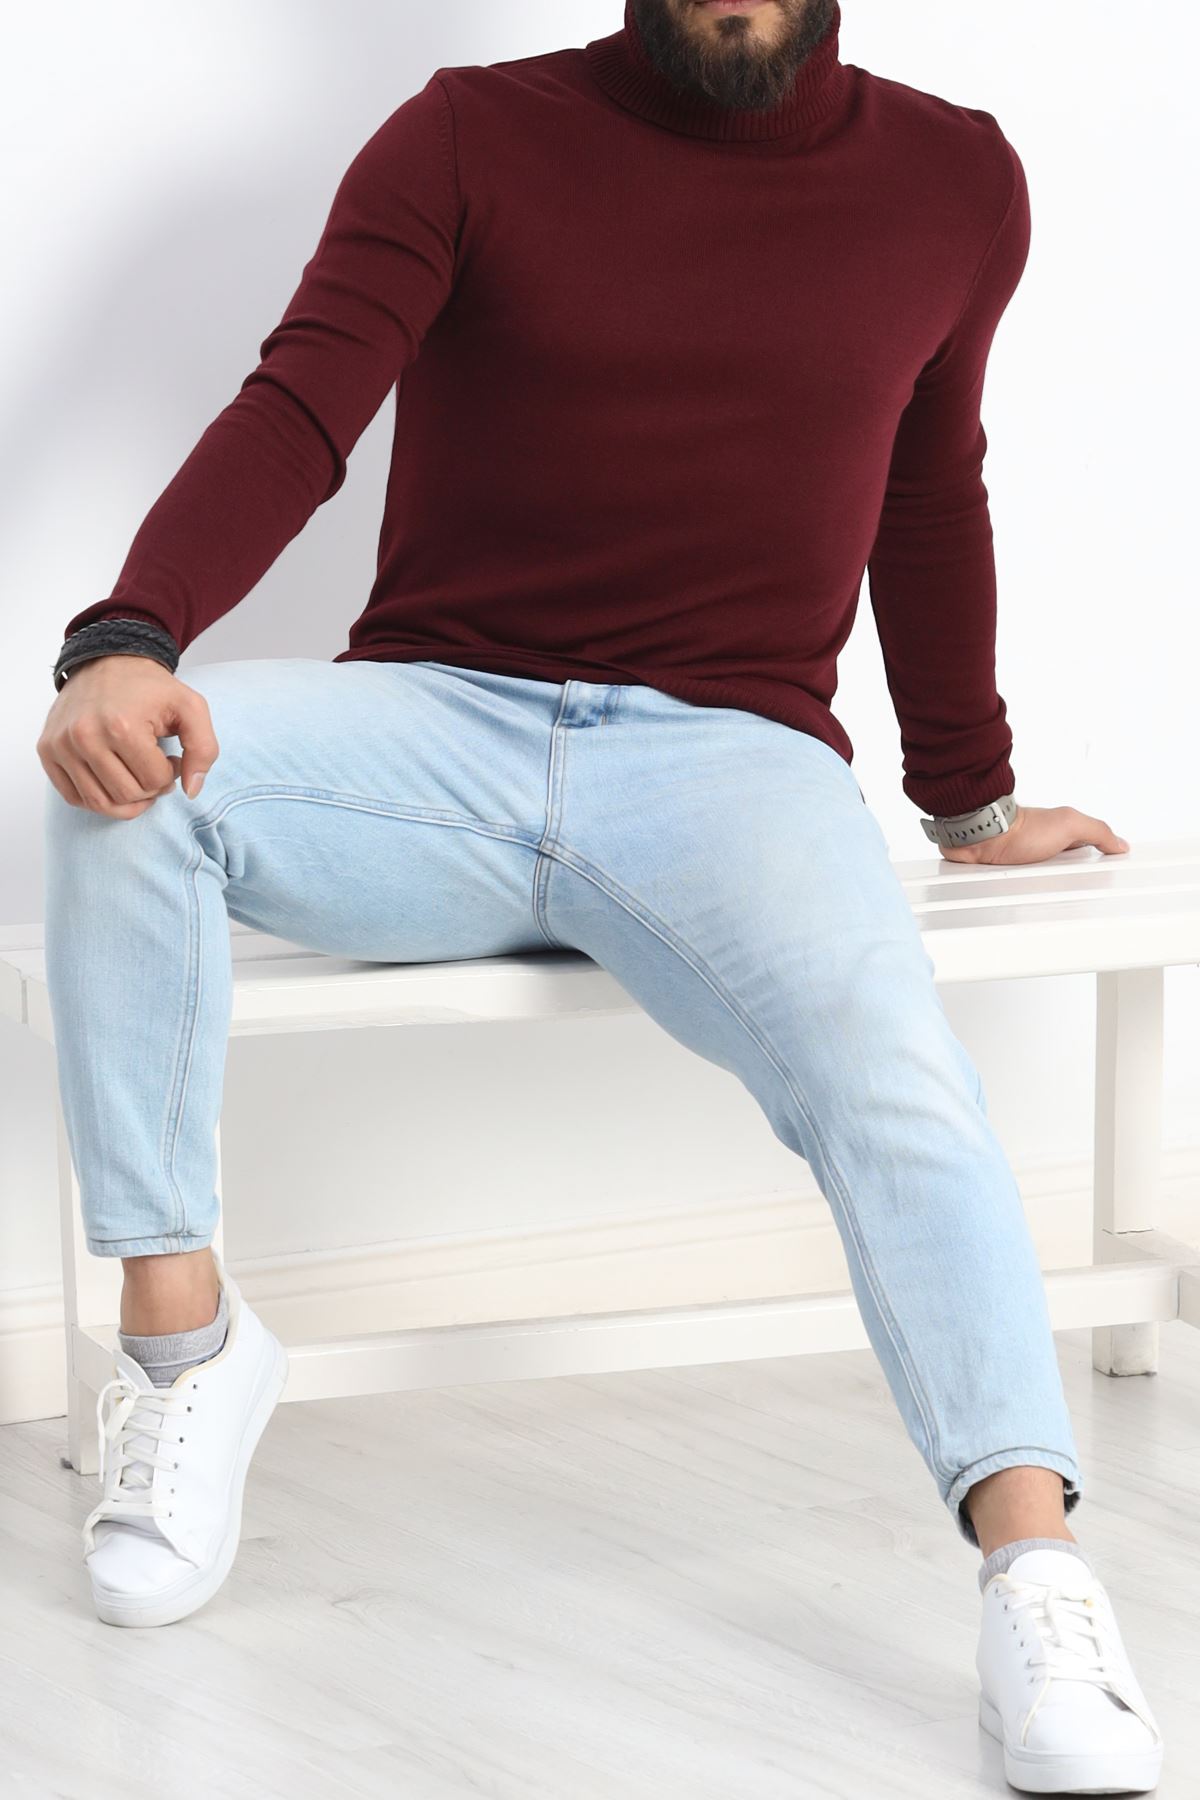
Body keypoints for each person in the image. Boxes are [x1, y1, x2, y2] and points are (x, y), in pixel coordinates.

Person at [36, 1, 1162, 1789]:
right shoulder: (468, 133)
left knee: (894, 1068)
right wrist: (127, 634)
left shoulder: (956, 180)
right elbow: (302, 404)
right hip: (441, 728)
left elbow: (929, 492)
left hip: (734, 766)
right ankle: (187, 1356)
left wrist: (968, 800)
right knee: (125, 780)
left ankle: (1037, 1576)